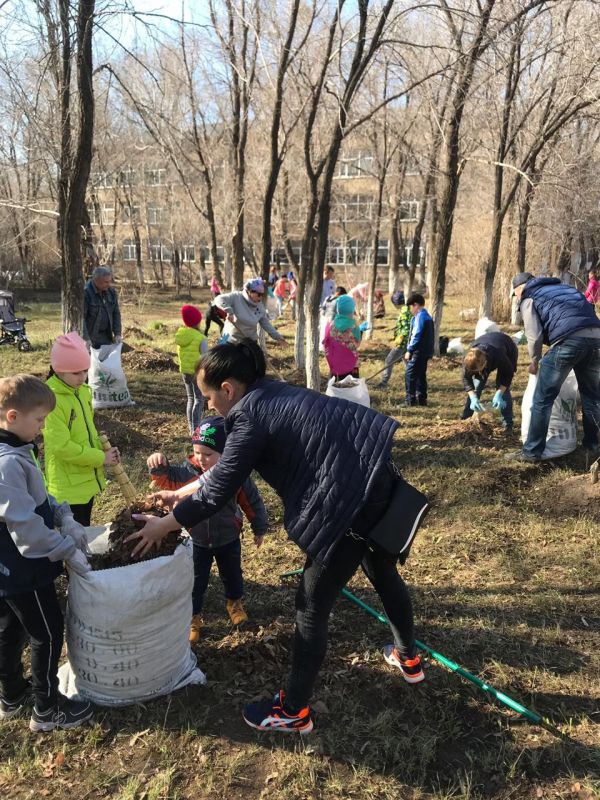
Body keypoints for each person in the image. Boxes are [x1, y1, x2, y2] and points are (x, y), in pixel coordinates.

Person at [128, 339, 425, 736]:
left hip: (346, 503)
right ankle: (408, 659)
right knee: (382, 571)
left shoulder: (249, 416)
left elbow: (217, 493)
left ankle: (293, 710)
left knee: (311, 606)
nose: (209, 406)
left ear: (228, 389)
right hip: (376, 480)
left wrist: (164, 525)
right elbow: (224, 472)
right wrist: (180, 493)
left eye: (209, 397)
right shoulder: (271, 392)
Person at [0, 374, 94, 731]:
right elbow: (26, 530)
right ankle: (47, 709)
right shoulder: (7, 464)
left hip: (8, 570)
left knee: (11, 629)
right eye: (39, 420)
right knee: (48, 633)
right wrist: (66, 549)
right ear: (13, 416)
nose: (42, 428)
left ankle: (11, 695)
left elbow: (37, 495)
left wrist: (62, 515)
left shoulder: (16, 450)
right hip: (24, 569)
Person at [146, 417, 268, 642]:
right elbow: (165, 480)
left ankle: (234, 603)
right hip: (196, 540)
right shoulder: (185, 473)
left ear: (226, 452)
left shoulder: (235, 474)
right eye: (197, 452)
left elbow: (251, 500)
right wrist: (158, 465)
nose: (201, 458)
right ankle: (194, 617)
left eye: (208, 454)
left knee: (232, 574)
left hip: (228, 537)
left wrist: (259, 525)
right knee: (195, 581)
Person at [508, 272, 600, 462]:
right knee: (592, 396)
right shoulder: (566, 288)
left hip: (569, 341)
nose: (516, 297)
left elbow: (534, 335)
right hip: (596, 339)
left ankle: (532, 452)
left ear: (520, 288)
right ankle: (593, 445)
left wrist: (535, 360)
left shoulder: (529, 297)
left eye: (515, 293)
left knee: (542, 398)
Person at [43, 333, 120, 526]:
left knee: (84, 528)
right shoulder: (51, 400)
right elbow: (61, 447)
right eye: (76, 373)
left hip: (85, 481)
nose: (82, 377)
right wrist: (101, 458)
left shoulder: (83, 392)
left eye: (85, 371)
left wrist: (105, 451)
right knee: (73, 534)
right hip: (67, 487)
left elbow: (87, 432)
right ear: (58, 370)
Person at [461, 331, 518, 435]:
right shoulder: (468, 358)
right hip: (487, 348)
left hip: (508, 349)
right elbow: (466, 378)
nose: (476, 374)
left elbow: (508, 375)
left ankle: (508, 425)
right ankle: (466, 420)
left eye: (478, 371)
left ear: (485, 364)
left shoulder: (499, 355)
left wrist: (499, 393)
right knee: (477, 386)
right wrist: (473, 397)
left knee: (503, 391)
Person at [215, 278, 285, 346]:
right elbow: (219, 299)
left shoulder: (260, 306)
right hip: (228, 338)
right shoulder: (236, 297)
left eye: (262, 295)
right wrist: (230, 312)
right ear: (249, 291)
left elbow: (266, 324)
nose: (260, 297)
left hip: (249, 341)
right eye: (259, 294)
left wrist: (279, 338)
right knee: (219, 353)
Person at [176, 305, 208, 435]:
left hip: (185, 371)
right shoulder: (200, 338)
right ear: (198, 321)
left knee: (190, 398)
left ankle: (191, 428)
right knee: (199, 400)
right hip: (196, 372)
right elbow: (206, 357)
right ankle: (196, 429)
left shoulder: (181, 335)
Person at [322, 295, 367, 380]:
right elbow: (356, 344)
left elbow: (327, 342)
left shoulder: (330, 324)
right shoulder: (354, 326)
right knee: (352, 385)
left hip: (335, 364)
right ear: (351, 309)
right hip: (351, 366)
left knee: (335, 384)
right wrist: (360, 331)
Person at [404, 293, 434, 407]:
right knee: (421, 376)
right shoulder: (427, 316)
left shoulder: (420, 316)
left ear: (415, 305)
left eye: (411, 307)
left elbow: (416, 335)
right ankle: (422, 400)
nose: (410, 310)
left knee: (410, 375)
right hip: (425, 351)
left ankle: (410, 401)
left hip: (418, 351)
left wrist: (409, 350)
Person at [376, 292, 411, 388]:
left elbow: (406, 329)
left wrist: (400, 340)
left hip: (402, 344)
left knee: (389, 360)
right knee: (407, 363)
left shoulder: (404, 313)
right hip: (406, 343)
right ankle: (412, 381)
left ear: (395, 304)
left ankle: (384, 382)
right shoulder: (406, 310)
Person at [82, 266, 122, 349]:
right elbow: (81, 319)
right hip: (90, 337)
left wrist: (117, 334)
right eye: (106, 282)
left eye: (109, 281)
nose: (109, 284)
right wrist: (85, 338)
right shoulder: (86, 293)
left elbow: (116, 314)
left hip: (106, 337)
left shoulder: (111, 292)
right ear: (96, 280)